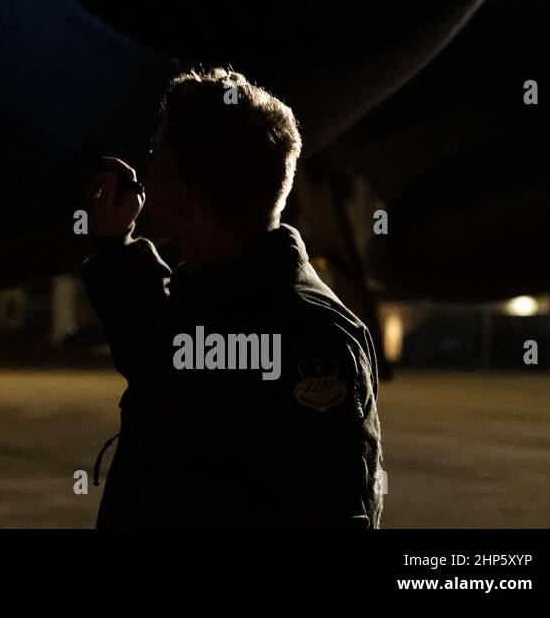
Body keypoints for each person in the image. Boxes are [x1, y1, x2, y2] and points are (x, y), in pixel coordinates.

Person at [81, 67, 383, 528]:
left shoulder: (316, 341)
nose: (146, 175)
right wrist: (114, 245)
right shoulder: (220, 302)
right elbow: (153, 345)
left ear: (180, 190)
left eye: (154, 159)